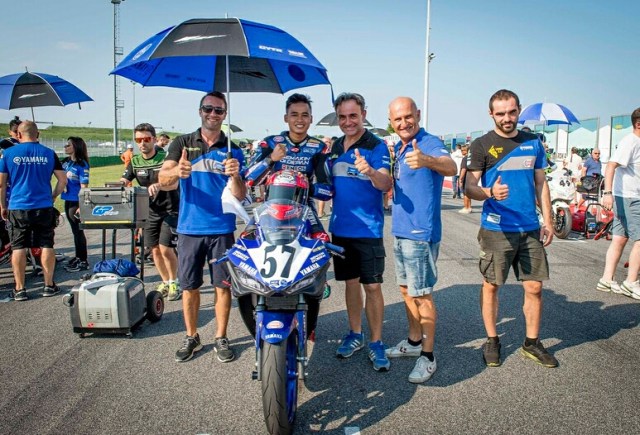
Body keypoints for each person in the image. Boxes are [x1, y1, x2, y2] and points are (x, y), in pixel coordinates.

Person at [465, 89, 557, 368]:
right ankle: (492, 340)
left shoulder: (533, 142)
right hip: (497, 229)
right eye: (501, 113)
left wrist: (548, 221)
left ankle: (532, 343)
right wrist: (489, 192)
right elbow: (469, 186)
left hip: (529, 228)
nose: (507, 118)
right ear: (491, 114)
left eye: (512, 112)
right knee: (492, 286)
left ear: (519, 110)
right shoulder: (482, 144)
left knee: (535, 287)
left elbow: (541, 183)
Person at [159, 91, 246, 363]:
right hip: (190, 228)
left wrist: (235, 175)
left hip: (222, 228)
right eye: (208, 108)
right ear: (200, 111)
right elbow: (163, 179)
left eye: (219, 110)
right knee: (189, 286)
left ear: (225, 114)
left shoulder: (233, 148)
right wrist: (178, 171)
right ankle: (192, 336)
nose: (213, 114)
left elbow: (240, 195)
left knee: (223, 286)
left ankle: (221, 336)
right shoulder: (182, 143)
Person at [243, 93, 333, 338]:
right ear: (286, 118)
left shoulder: (319, 147)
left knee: (322, 245)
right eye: (294, 115)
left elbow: (327, 190)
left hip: (304, 210)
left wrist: (306, 185)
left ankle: (313, 306)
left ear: (311, 119)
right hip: (269, 211)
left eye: (305, 115)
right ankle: (253, 299)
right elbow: (248, 178)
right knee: (244, 244)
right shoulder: (270, 143)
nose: (299, 120)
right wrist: (271, 160)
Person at [384, 97, 456, 383]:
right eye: (397, 119)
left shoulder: (428, 143)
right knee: (406, 291)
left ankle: (428, 356)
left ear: (418, 114)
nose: (404, 123)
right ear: (391, 122)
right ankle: (414, 342)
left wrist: (427, 160)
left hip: (420, 234)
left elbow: (450, 166)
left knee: (422, 294)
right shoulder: (401, 147)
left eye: (408, 116)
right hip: (401, 230)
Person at [329, 92, 392, 371]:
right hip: (340, 228)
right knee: (351, 283)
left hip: (368, 229)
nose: (348, 122)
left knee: (373, 286)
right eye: (342, 117)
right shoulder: (334, 146)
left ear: (363, 114)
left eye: (353, 115)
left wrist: (370, 172)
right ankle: (355, 333)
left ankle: (376, 342)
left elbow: (385, 183)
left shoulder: (376, 145)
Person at [0, 120, 67, 301]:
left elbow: (1, 184)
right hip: (43, 205)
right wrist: (53, 196)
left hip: (18, 206)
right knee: (47, 244)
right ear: (38, 134)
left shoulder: (8, 153)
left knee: (18, 246)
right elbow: (63, 180)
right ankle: (48, 285)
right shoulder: (49, 153)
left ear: (18, 135)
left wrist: (3, 206)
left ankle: (20, 289)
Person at [121, 123, 180, 301]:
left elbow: (175, 182)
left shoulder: (166, 158)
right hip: (150, 211)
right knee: (154, 250)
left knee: (165, 248)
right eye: (138, 140)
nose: (142, 143)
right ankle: (165, 281)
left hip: (171, 209)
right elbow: (125, 179)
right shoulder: (135, 161)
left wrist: (159, 184)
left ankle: (174, 282)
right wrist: (118, 185)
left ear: (154, 139)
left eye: (146, 139)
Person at [597, 108, 640, 299]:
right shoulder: (631, 141)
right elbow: (611, 165)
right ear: (638, 124)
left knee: (619, 239)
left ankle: (607, 279)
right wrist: (607, 193)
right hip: (631, 198)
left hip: (627, 197)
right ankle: (631, 282)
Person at [61, 137, 90, 272]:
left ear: (76, 147)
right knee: (74, 230)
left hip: (75, 201)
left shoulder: (82, 164)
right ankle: (78, 257)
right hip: (67, 200)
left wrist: (81, 205)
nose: (65, 147)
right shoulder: (65, 162)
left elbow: (84, 186)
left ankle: (83, 260)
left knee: (78, 231)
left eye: (69, 145)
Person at [317, 136, 334, 219]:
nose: (327, 143)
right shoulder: (319, 152)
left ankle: (332, 210)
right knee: (322, 193)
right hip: (322, 176)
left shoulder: (333, 152)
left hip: (332, 174)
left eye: (329, 142)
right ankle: (320, 213)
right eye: (325, 142)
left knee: (334, 192)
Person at [458, 144, 472, 213]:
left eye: (463, 150)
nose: (462, 152)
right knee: (469, 193)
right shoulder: (471, 158)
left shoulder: (465, 159)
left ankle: (466, 207)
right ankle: (469, 207)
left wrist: (460, 179)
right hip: (471, 177)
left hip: (465, 178)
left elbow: (464, 169)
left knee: (465, 194)